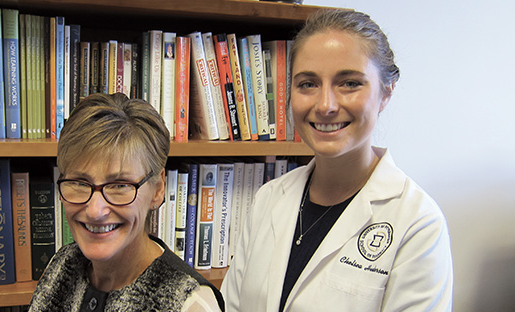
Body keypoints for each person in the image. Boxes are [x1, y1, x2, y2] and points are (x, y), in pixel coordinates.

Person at [221, 8, 453, 312]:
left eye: (349, 83)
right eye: (307, 84)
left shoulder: (418, 223)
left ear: (386, 92)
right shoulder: (268, 199)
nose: (326, 105)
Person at [29, 93, 224, 311]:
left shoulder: (189, 303)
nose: (95, 211)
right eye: (80, 183)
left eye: (120, 185)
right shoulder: (60, 266)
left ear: (157, 189)